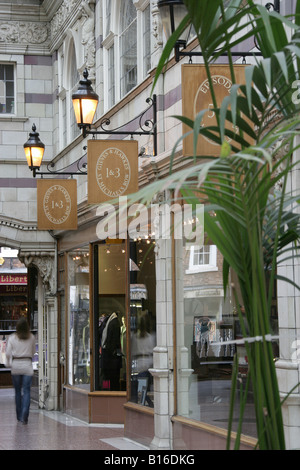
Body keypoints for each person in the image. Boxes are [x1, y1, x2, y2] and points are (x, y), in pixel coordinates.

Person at [5, 317, 36, 425]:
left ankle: (19, 416)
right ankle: (25, 414)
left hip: (16, 366)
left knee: (17, 392)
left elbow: (8, 353)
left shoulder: (12, 338)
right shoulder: (31, 337)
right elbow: (33, 352)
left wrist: (8, 364)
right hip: (27, 365)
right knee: (27, 391)